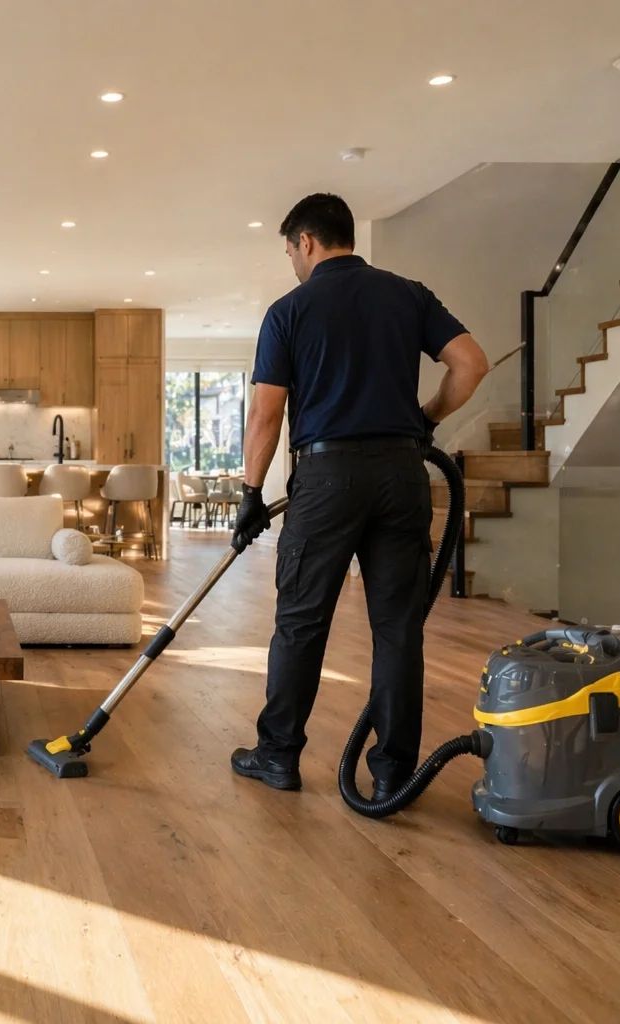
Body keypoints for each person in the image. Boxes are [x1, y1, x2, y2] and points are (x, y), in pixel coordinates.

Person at [229, 193, 489, 797]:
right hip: (403, 475)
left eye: (290, 249)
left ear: (307, 242)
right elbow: (471, 364)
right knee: (398, 628)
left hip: (326, 479)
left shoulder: (289, 310)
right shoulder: (408, 295)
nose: (292, 261)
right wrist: (424, 420)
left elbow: (266, 414)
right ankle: (395, 771)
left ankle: (278, 756)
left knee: (300, 622)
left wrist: (248, 493)